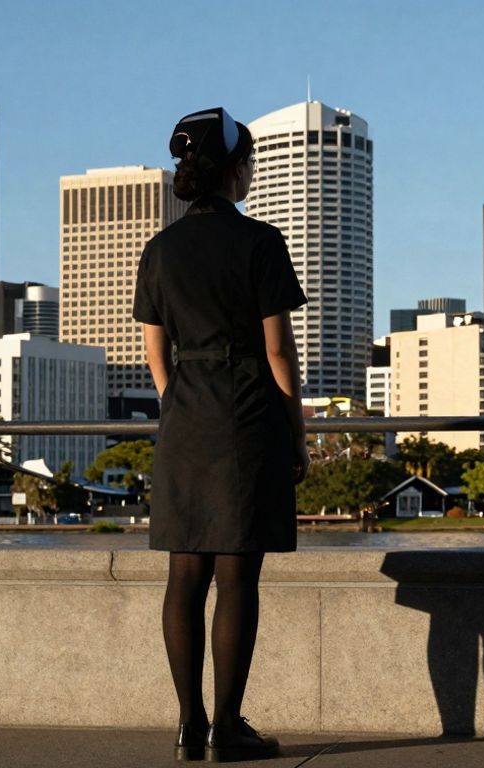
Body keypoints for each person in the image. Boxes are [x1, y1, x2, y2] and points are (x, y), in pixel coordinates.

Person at [132, 106, 309, 763]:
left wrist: (179, 405)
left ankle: (188, 725)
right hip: (244, 418)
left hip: (183, 422)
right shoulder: (260, 243)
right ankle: (230, 727)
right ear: (237, 169)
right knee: (237, 579)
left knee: (185, 575)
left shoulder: (159, 250)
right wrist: (296, 432)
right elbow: (279, 353)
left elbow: (156, 356)